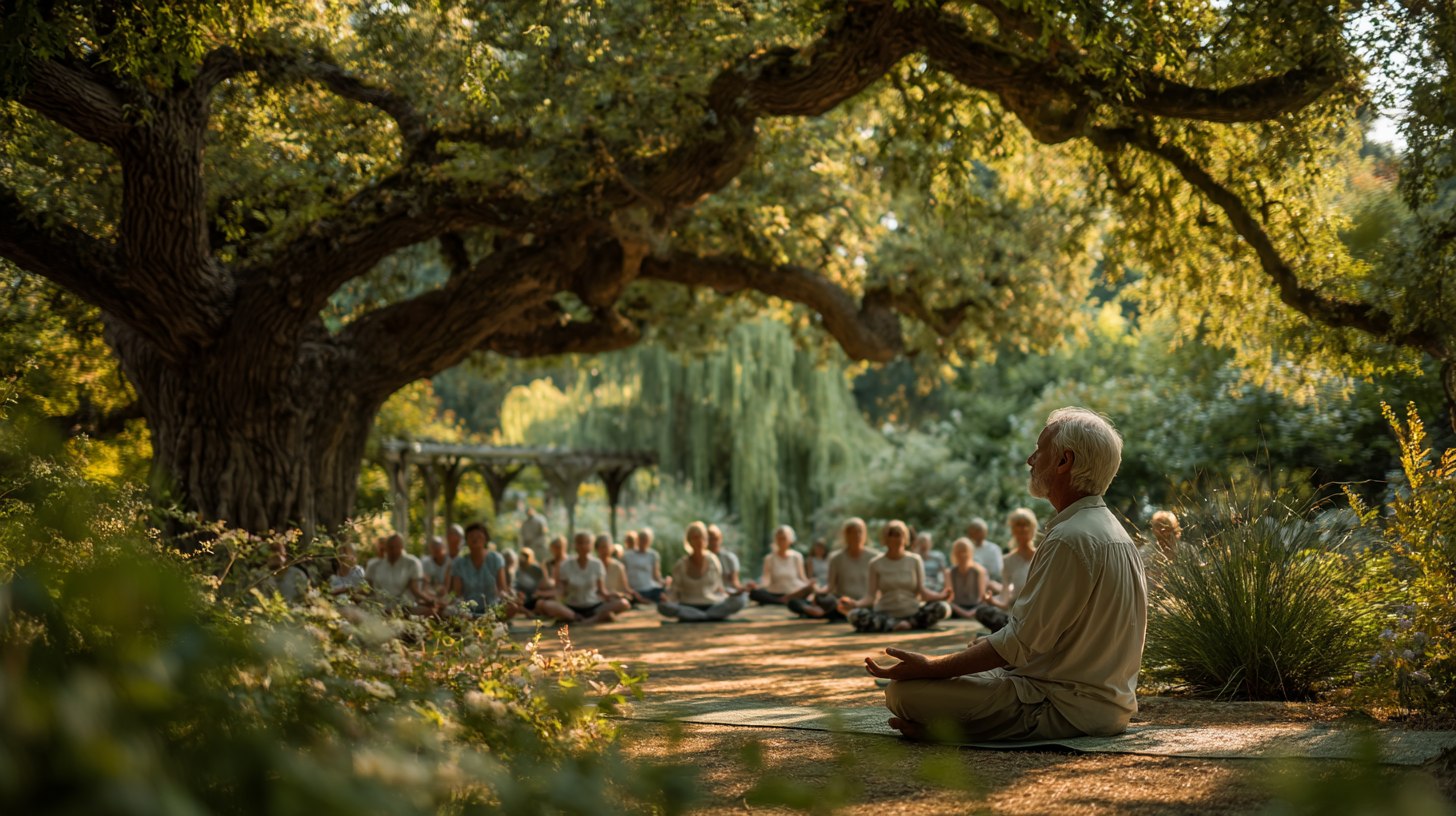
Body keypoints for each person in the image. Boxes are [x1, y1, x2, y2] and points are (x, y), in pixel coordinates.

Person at [867, 407, 1147, 743]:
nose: (1031, 459)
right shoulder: (1115, 534)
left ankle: (951, 730)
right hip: (1104, 705)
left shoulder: (1069, 537)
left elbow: (1021, 644)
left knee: (903, 694)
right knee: (952, 675)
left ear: (1064, 462)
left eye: (1040, 450)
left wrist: (932, 667)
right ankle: (955, 725)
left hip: (1063, 707)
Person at [837, 521, 951, 632]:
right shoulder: (875, 563)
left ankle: (908, 624)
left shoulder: (915, 560)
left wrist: (941, 596)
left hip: (912, 612)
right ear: (885, 538)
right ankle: (896, 625)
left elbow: (923, 592)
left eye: (898, 534)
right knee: (854, 615)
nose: (895, 538)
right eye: (891, 534)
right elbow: (870, 597)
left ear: (905, 537)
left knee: (943, 608)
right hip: (885, 614)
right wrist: (854, 604)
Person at [657, 522, 748, 622]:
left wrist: (735, 593)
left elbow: (720, 589)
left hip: (712, 605)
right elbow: (674, 592)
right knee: (663, 607)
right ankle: (707, 616)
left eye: (702, 537)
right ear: (689, 541)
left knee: (742, 599)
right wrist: (667, 601)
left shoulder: (713, 560)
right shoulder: (680, 565)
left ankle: (701, 616)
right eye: (695, 537)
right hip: (688, 606)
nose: (699, 541)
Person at [788, 517, 875, 621]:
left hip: (866, 602)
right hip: (841, 603)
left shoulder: (874, 558)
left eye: (859, 532)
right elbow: (831, 585)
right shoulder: (835, 558)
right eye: (852, 532)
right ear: (846, 535)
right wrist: (819, 592)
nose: (856, 536)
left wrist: (857, 603)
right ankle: (841, 613)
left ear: (864, 533)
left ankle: (837, 614)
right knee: (817, 599)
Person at [556, 531, 631, 624]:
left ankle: (582, 620)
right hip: (571, 606)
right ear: (575, 545)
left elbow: (602, 591)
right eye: (580, 543)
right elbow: (560, 591)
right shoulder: (565, 565)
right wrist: (542, 594)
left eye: (586, 542)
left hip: (594, 606)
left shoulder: (597, 564)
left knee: (624, 603)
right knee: (543, 605)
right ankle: (584, 618)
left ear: (591, 545)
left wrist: (616, 595)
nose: (583, 546)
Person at [449, 522, 518, 618]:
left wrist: (509, 598)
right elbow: (458, 594)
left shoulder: (496, 559)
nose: (475, 538)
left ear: (486, 539)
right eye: (471, 535)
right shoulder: (459, 562)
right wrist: (463, 610)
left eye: (479, 536)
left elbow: (502, 589)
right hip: (467, 611)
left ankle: (490, 621)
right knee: (447, 611)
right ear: (466, 540)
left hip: (492, 609)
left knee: (512, 607)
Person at [946, 537, 1008, 632]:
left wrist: (971, 612)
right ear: (954, 553)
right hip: (956, 609)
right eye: (959, 551)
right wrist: (965, 614)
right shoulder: (949, 572)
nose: (962, 554)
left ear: (970, 552)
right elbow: (949, 599)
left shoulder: (980, 571)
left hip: (976, 608)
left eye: (964, 551)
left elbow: (982, 598)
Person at [982, 509, 1037, 613]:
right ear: (1012, 530)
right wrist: (991, 601)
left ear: (1032, 528)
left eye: (1026, 524)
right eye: (1019, 525)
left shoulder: (1042, 555)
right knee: (983, 611)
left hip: (1038, 607)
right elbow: (1005, 599)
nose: (1023, 528)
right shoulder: (1007, 561)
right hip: (1017, 608)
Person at [366, 533, 437, 614]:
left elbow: (415, 589)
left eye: (397, 547)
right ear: (386, 547)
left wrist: (429, 600)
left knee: (429, 611)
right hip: (379, 607)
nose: (394, 550)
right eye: (391, 547)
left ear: (402, 547)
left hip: (404, 608)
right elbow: (366, 589)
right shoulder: (373, 565)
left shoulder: (412, 563)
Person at [748, 525, 816, 605]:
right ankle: (781, 600)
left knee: (810, 588)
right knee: (754, 593)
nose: (781, 542)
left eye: (784, 538)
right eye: (779, 539)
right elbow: (766, 579)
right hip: (774, 592)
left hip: (793, 592)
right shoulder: (769, 558)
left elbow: (802, 577)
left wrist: (810, 583)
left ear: (790, 540)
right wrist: (757, 586)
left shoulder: (797, 556)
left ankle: (782, 600)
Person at [622, 530, 668, 604]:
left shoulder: (653, 555)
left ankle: (643, 601)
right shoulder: (627, 555)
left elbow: (656, 576)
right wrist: (628, 589)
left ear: (650, 541)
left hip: (649, 589)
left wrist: (664, 582)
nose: (644, 542)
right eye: (642, 539)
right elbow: (622, 576)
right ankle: (641, 600)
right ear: (637, 540)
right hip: (633, 590)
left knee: (664, 592)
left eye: (646, 540)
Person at [966, 518, 1003, 591]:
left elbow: (997, 572)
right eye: (972, 533)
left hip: (989, 584)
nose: (974, 535)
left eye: (977, 532)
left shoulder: (993, 549)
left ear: (984, 533)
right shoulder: (966, 549)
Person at [707, 525, 743, 591]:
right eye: (711, 539)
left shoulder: (730, 558)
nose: (715, 543)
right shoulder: (704, 559)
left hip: (729, 592)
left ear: (721, 539)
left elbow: (735, 582)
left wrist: (744, 589)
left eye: (716, 539)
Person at [420, 536, 452, 600]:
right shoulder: (425, 562)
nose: (436, 548)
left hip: (447, 596)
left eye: (438, 546)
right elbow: (425, 582)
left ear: (444, 548)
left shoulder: (450, 563)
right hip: (430, 595)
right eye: (433, 546)